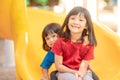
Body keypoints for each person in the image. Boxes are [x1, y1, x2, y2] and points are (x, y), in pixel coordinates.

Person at [51, 6, 97, 80]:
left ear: (86, 26)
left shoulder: (89, 43)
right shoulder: (60, 41)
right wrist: (74, 72)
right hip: (65, 71)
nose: (76, 22)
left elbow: (84, 65)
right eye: (73, 18)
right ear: (67, 21)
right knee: (70, 78)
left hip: (83, 72)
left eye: (80, 20)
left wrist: (80, 76)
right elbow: (59, 66)